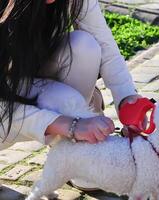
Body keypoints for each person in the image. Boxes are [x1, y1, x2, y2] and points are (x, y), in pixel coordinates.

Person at [0, 0, 142, 188]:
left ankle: (76, 152)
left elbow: (103, 41)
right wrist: (65, 124)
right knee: (62, 104)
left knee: (84, 46)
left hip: (27, 76)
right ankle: (74, 133)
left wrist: (128, 100)